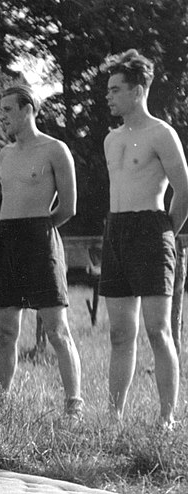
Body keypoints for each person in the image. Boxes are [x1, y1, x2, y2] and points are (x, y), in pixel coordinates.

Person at [100, 50, 188, 430]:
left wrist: (165, 231)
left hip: (153, 229)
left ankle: (166, 418)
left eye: (116, 90)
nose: (109, 96)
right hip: (116, 231)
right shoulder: (111, 138)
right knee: (121, 333)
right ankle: (114, 417)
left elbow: (184, 189)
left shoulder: (161, 133)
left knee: (158, 329)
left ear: (137, 92)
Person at [0, 86, 83, 418]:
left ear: (27, 108)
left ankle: (74, 406)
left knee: (56, 330)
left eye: (7, 110)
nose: (2, 117)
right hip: (7, 239)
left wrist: (41, 230)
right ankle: (0, 405)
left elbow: (69, 207)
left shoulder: (55, 149)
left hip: (40, 238)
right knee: (5, 331)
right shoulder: (4, 154)